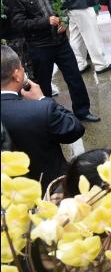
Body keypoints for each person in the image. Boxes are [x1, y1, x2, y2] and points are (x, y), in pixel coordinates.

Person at [0, 45, 85, 188]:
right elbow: (74, 128)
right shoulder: (41, 109)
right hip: (50, 190)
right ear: (17, 75)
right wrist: (42, 99)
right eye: (21, 67)